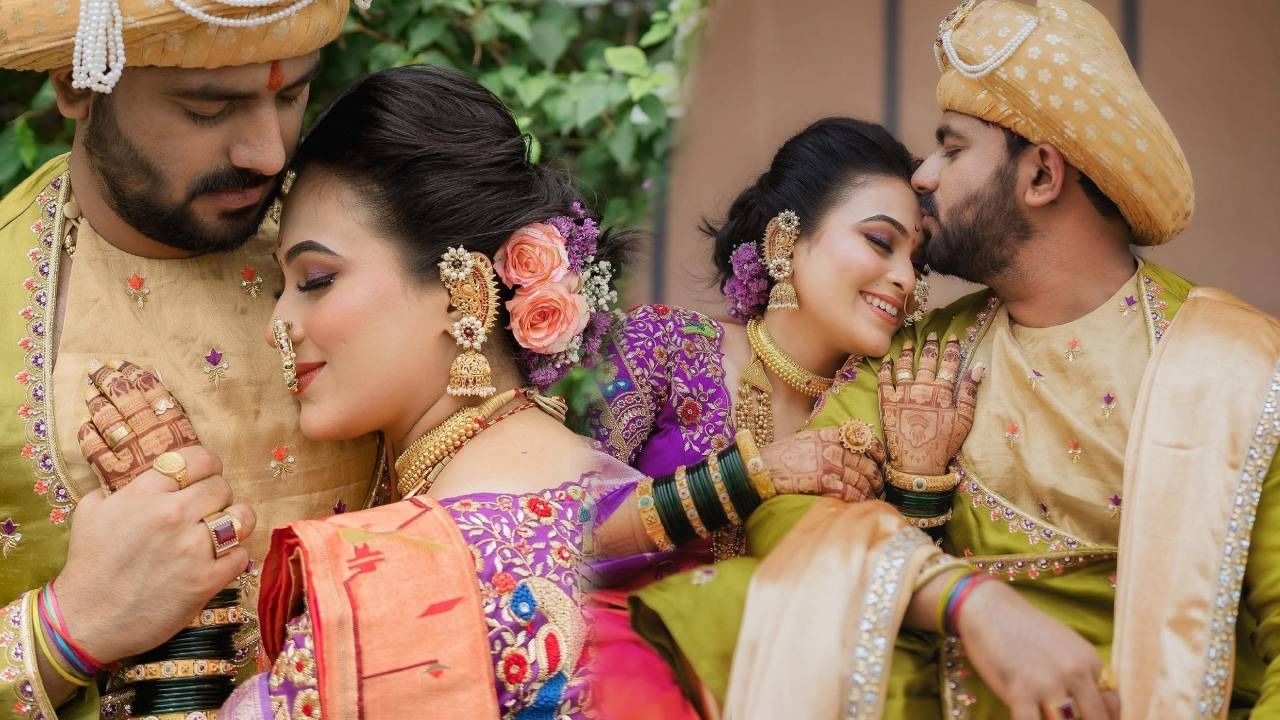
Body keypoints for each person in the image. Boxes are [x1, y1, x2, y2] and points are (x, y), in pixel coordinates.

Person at [624, 0, 1280, 718]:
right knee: (734, 605)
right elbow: (790, 515)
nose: (924, 176)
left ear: (1041, 176)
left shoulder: (1236, 365)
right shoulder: (924, 352)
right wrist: (970, 602)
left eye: (952, 148)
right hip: (941, 691)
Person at [73, 63, 643, 718]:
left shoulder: (394, 584)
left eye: (316, 280)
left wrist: (178, 619)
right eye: (281, 287)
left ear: (461, 292)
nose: (277, 325)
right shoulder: (632, 498)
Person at [0, 2, 380, 717]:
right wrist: (67, 629)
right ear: (78, 83)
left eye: (292, 95)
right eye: (209, 108)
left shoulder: (374, 261)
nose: (268, 154)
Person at [585, 117, 939, 718]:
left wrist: (921, 480)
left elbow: (890, 607)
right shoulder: (664, 346)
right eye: (881, 241)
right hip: (627, 664)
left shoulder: (887, 405)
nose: (905, 278)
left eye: (917, 260)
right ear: (785, 241)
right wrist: (754, 474)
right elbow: (558, 527)